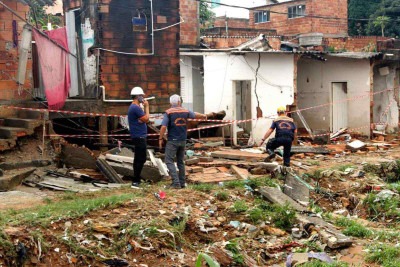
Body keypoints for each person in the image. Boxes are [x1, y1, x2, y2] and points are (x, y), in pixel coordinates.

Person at [159, 94, 206, 189]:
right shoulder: (186, 111)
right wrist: (204, 115)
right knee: (180, 161)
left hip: (173, 140)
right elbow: (194, 115)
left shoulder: (168, 112)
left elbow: (163, 126)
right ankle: (182, 183)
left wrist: (160, 138)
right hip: (183, 140)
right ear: (179, 102)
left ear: (170, 103)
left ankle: (176, 183)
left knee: (169, 160)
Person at [128, 86, 150, 188]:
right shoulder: (135, 108)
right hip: (139, 136)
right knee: (140, 158)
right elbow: (146, 119)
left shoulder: (135, 107)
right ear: (138, 97)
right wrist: (147, 107)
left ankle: (137, 178)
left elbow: (141, 120)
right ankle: (136, 180)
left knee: (140, 158)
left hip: (139, 135)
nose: (143, 98)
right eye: (142, 96)